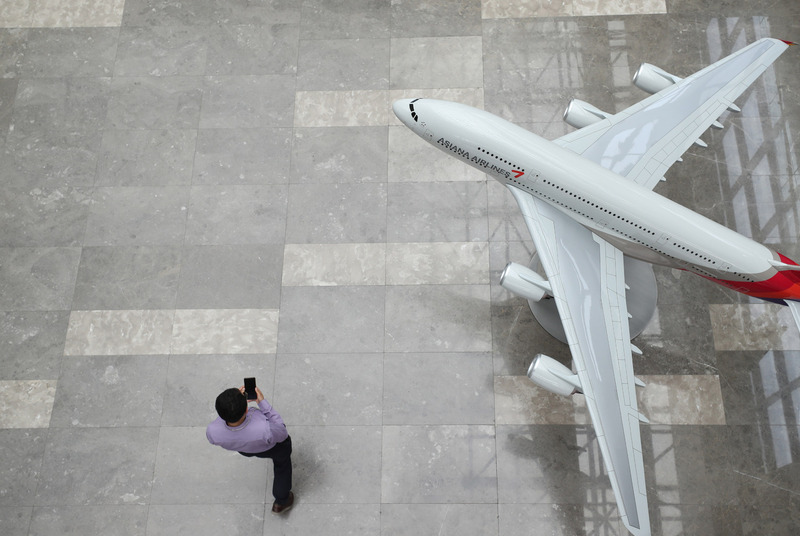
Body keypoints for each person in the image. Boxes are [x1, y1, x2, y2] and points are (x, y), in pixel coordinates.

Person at [206, 385, 294, 513]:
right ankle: (281, 501)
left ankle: (281, 503)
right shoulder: (265, 429)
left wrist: (233, 404)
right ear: (246, 410)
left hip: (245, 450)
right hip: (274, 448)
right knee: (282, 466)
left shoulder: (212, 431)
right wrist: (262, 403)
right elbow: (282, 432)